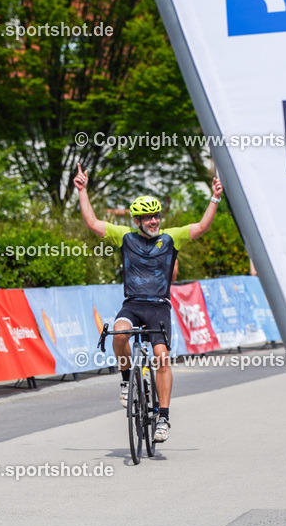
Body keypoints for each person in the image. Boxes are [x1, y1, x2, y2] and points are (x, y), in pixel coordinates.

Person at [74, 163, 223, 442]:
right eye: (147, 218)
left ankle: (163, 417)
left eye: (155, 216)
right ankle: (124, 378)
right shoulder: (125, 237)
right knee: (118, 333)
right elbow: (93, 223)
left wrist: (214, 197)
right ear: (137, 221)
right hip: (132, 304)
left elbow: (202, 227)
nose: (153, 221)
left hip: (158, 306)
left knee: (162, 357)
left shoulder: (171, 238)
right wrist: (82, 190)